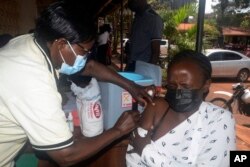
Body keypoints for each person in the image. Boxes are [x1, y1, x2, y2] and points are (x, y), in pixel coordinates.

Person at [0, 2, 155, 167]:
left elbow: (89, 67)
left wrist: (131, 86)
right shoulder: (34, 80)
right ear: (61, 44)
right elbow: (66, 156)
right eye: (84, 51)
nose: (86, 57)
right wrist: (118, 130)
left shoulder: (32, 42)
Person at [126, 50, 236, 166]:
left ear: (206, 85)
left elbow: (140, 147)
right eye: (172, 86)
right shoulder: (156, 107)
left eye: (185, 86)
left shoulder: (219, 119)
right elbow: (133, 157)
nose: (178, 92)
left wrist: (146, 152)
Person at [125, 0, 163, 72]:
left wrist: (147, 73)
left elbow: (155, 52)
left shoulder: (153, 19)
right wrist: (128, 66)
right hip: (132, 64)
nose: (129, 3)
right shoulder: (137, 18)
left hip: (143, 67)